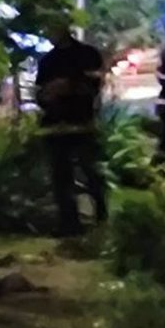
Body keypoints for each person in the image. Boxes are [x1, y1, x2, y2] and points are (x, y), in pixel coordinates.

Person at [35, 21, 107, 237]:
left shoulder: (87, 54)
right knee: (61, 178)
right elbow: (40, 93)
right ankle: (68, 223)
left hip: (81, 123)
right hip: (55, 125)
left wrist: (70, 86)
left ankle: (102, 218)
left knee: (91, 172)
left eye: (52, 29)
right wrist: (49, 93)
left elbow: (95, 84)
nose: (49, 34)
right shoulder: (48, 61)